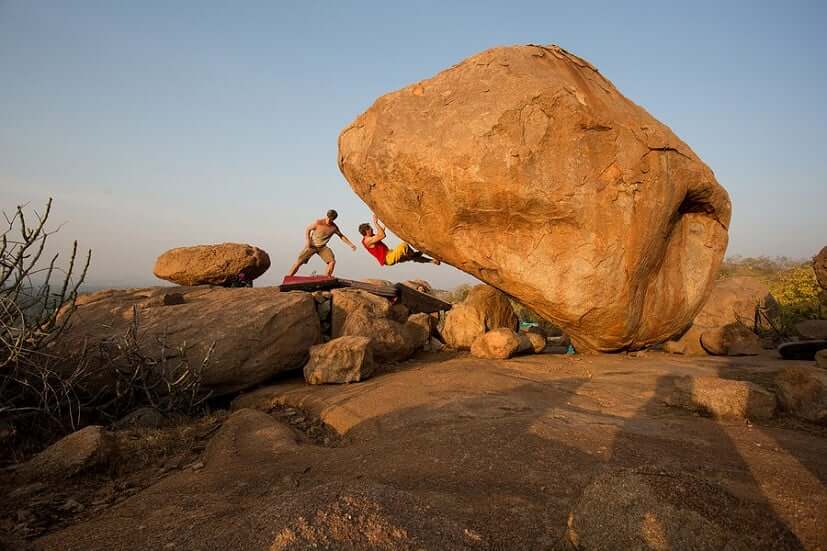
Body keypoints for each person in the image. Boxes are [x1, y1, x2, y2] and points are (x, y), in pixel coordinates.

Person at [287, 209, 357, 277]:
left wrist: (351, 244)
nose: (329, 220)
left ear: (334, 219)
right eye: (328, 218)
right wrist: (308, 241)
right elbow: (308, 229)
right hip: (312, 246)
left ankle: (326, 278)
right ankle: (288, 277)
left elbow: (341, 236)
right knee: (299, 261)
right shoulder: (318, 222)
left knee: (332, 262)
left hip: (322, 247)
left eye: (331, 219)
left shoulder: (334, 227)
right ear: (327, 216)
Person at [359, 214, 440, 266]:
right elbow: (382, 235)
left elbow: (381, 232)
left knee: (411, 257)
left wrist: (385, 223)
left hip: (390, 254)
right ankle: (414, 254)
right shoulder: (367, 241)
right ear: (366, 231)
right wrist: (375, 223)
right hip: (388, 258)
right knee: (404, 245)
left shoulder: (370, 238)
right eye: (370, 229)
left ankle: (432, 261)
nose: (372, 229)